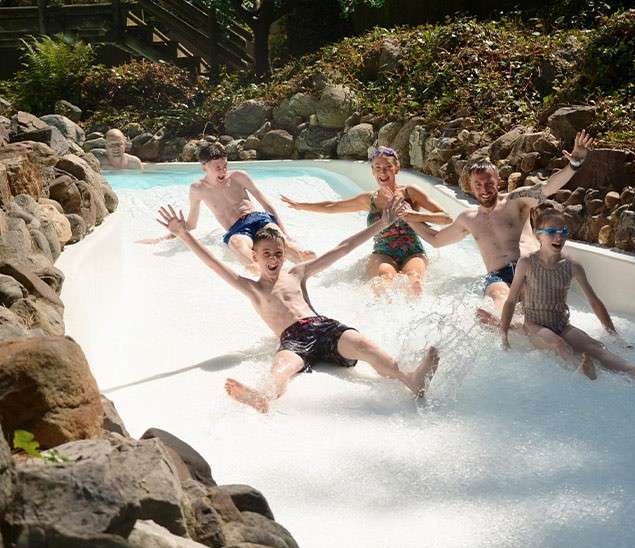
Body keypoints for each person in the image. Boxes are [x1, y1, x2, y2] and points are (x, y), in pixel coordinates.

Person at [156, 201, 440, 413]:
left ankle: (411, 378)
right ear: (254, 256)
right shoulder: (253, 288)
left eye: (278, 254)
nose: (274, 259)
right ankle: (263, 396)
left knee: (364, 345)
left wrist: (381, 224)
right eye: (266, 254)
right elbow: (213, 264)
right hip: (293, 340)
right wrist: (184, 234)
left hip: (324, 327)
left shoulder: (296, 274)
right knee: (281, 367)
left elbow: (342, 248)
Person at [406, 131, 594, 323]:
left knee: (530, 298)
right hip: (498, 277)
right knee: (497, 294)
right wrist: (407, 217)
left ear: (498, 182)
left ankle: (520, 325)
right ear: (470, 187)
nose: (484, 189)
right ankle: (506, 324)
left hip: (532, 268)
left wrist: (574, 165)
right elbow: (436, 240)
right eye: (478, 185)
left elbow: (548, 187)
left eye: (489, 183)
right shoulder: (468, 219)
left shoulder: (517, 201)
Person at [500, 208, 635, 380]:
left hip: (561, 324)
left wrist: (614, 335)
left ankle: (633, 371)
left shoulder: (572, 266)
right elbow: (510, 301)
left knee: (595, 346)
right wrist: (504, 335)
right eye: (552, 232)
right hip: (535, 326)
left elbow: (594, 302)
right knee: (559, 344)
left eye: (563, 231)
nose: (559, 237)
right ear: (538, 235)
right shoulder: (527, 263)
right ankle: (581, 371)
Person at [280, 146, 452, 295]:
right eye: (378, 167)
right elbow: (332, 206)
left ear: (396, 168)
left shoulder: (410, 193)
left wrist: (415, 216)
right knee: (385, 281)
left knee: (414, 282)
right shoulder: (368, 199)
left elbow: (446, 218)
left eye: (387, 167)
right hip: (383, 252)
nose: (382, 172)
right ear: (372, 171)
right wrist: (300, 205)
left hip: (413, 251)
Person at [140, 143, 314, 271]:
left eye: (225, 166)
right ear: (204, 167)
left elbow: (266, 205)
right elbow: (191, 225)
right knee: (236, 242)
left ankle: (306, 260)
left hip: (257, 218)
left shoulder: (239, 176)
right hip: (237, 230)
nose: (223, 171)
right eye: (217, 168)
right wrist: (166, 237)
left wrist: (286, 234)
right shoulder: (197, 189)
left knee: (279, 240)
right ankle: (257, 268)